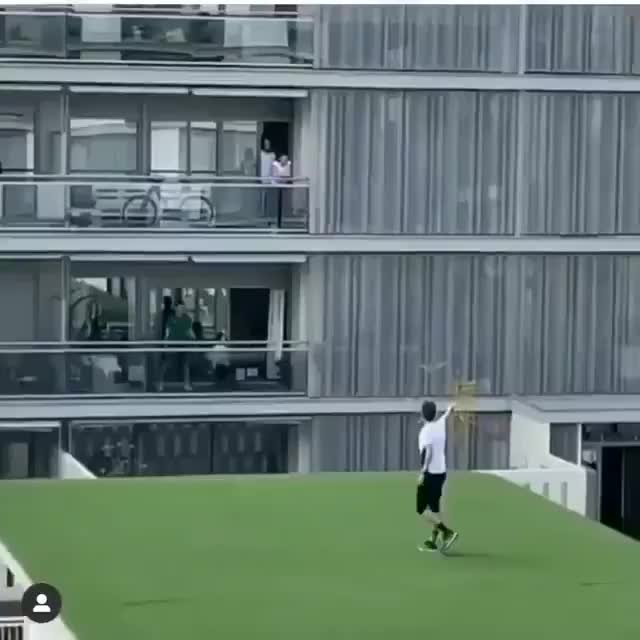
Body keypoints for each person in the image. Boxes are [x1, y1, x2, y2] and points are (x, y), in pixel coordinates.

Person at [416, 399, 459, 553]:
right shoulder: (439, 424)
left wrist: (423, 472)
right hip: (441, 473)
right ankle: (433, 540)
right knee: (434, 507)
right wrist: (450, 408)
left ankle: (447, 532)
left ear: (422, 414)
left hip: (431, 474)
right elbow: (446, 416)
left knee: (421, 509)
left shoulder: (425, 432)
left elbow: (428, 453)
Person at [158, 302, 194, 392]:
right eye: (180, 308)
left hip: (184, 344)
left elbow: (190, 331)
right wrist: (165, 344)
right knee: (166, 364)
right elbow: (167, 331)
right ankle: (160, 383)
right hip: (172, 343)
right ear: (176, 308)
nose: (181, 310)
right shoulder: (171, 319)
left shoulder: (187, 319)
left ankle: (187, 384)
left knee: (186, 364)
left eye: (183, 308)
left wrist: (194, 339)